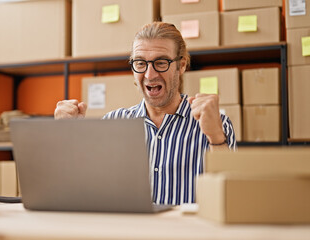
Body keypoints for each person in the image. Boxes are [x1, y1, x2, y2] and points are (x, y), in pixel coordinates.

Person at [54, 22, 236, 205]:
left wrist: (215, 137)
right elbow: (81, 191)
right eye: (140, 63)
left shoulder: (215, 123)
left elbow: (232, 198)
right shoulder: (112, 124)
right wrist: (67, 136)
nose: (150, 74)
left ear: (181, 66)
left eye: (161, 63)